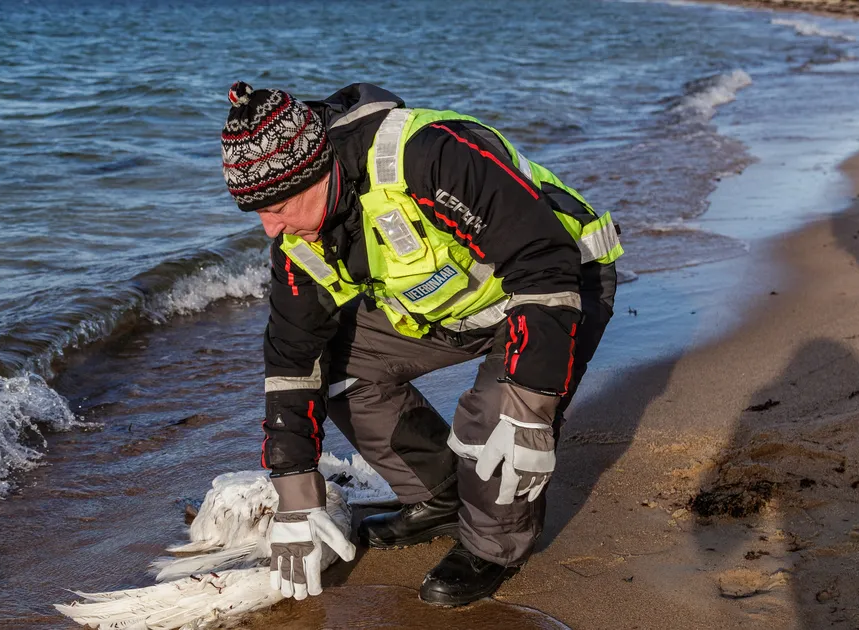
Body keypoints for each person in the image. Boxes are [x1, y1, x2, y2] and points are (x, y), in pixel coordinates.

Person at [220, 81, 621, 606]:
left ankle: (491, 546)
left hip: (556, 286)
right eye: (258, 213)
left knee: (498, 417)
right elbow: (291, 362)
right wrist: (296, 499)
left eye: (281, 206)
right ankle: (438, 496)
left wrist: (530, 404)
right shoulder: (296, 242)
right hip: (451, 307)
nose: (272, 229)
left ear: (320, 168)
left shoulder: (428, 155)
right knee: (335, 367)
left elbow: (544, 263)